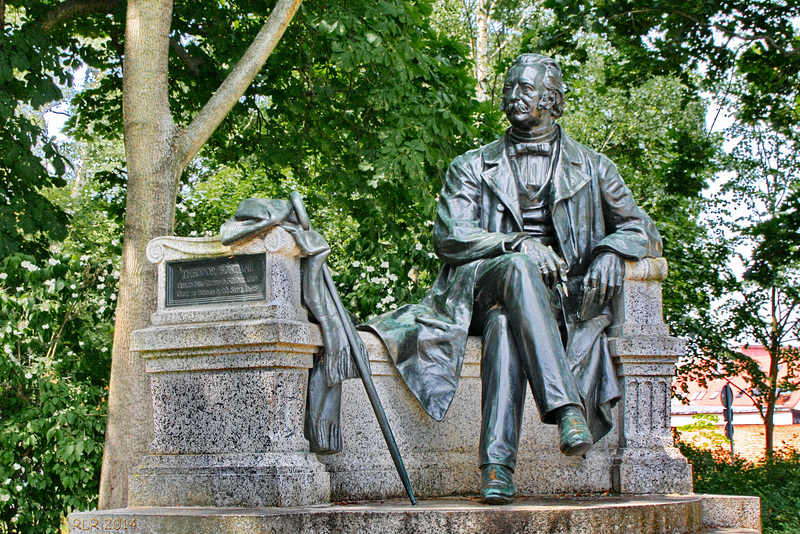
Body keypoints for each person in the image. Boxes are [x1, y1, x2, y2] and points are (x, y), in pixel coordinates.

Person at [364, 53, 662, 504]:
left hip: (558, 302)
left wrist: (610, 249)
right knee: (518, 270)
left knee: (506, 327)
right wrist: (516, 243)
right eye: (509, 86)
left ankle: (496, 469)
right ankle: (565, 409)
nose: (513, 95)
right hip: (479, 292)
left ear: (554, 99)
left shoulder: (594, 166)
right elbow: (451, 236)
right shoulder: (471, 165)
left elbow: (640, 227)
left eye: (525, 87)